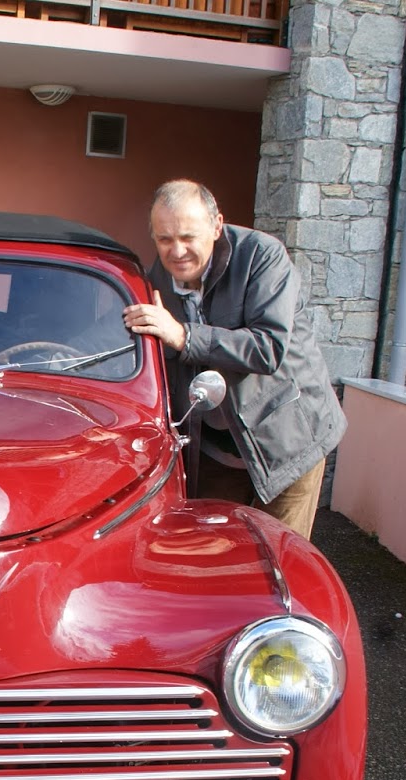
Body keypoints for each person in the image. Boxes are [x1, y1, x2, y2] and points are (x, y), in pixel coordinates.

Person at [122, 179, 346, 539]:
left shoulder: (263, 257)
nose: (177, 251)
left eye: (188, 237)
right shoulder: (156, 283)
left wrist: (183, 335)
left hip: (286, 439)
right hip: (213, 445)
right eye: (164, 239)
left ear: (216, 226)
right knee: (212, 551)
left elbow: (267, 347)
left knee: (279, 555)